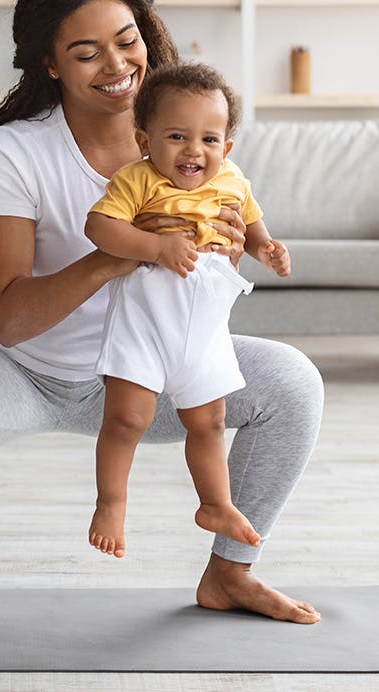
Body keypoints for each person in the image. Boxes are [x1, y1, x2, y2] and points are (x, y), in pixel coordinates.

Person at [0, 0, 323, 650]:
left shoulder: (192, 141)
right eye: (85, 51)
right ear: (50, 65)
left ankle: (229, 575)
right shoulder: (17, 153)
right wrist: (118, 253)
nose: (116, 63)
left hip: (136, 368)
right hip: (17, 366)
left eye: (126, 39)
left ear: (148, 35)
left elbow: (214, 268)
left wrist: (225, 251)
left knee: (293, 383)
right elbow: (9, 318)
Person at [85, 62, 291, 559]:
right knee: (126, 419)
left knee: (210, 421)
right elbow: (99, 227)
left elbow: (253, 220)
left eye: (209, 139)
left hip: (204, 326)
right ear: (144, 139)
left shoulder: (233, 181)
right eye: (176, 136)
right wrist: (155, 248)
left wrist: (265, 248)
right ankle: (111, 503)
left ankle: (215, 502)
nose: (193, 150)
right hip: (146, 318)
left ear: (227, 147)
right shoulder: (137, 180)